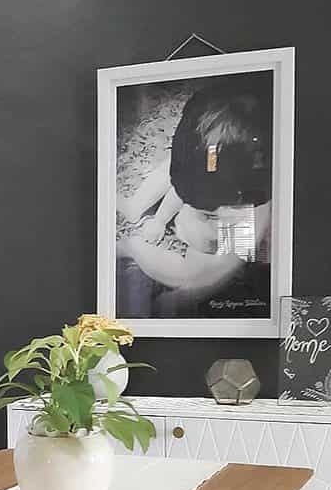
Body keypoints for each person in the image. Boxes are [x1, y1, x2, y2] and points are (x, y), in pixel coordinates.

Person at [116, 72, 273, 319]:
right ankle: (137, 206)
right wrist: (159, 219)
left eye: (210, 213)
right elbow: (186, 185)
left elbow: (208, 280)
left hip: (224, 227)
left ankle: (130, 248)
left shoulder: (249, 223)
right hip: (213, 180)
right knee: (183, 169)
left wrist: (178, 299)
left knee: (189, 274)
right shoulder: (202, 162)